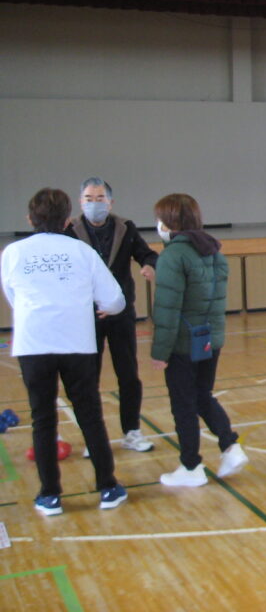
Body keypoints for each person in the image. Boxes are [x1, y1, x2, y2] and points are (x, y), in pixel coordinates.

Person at [1, 188, 128, 515]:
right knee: (90, 415)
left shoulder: (12, 253)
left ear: (30, 219)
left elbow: (13, 296)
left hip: (34, 344)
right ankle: (108, 487)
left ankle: (50, 495)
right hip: (77, 343)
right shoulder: (82, 251)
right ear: (68, 220)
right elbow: (115, 300)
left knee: (42, 419)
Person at [150, 193, 247, 486]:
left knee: (183, 404)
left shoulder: (173, 256)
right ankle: (230, 446)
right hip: (210, 339)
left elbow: (168, 309)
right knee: (202, 395)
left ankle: (190, 466)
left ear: (170, 221)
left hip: (182, 343)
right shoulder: (214, 251)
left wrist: (160, 351)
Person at [66, 177, 158, 453]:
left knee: (128, 375)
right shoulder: (69, 230)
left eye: (99, 199)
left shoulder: (125, 228)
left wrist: (150, 265)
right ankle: (94, 439)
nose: (94, 204)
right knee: (87, 377)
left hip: (120, 314)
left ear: (110, 202)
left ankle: (132, 431)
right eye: (88, 199)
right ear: (80, 201)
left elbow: (147, 253)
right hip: (86, 316)